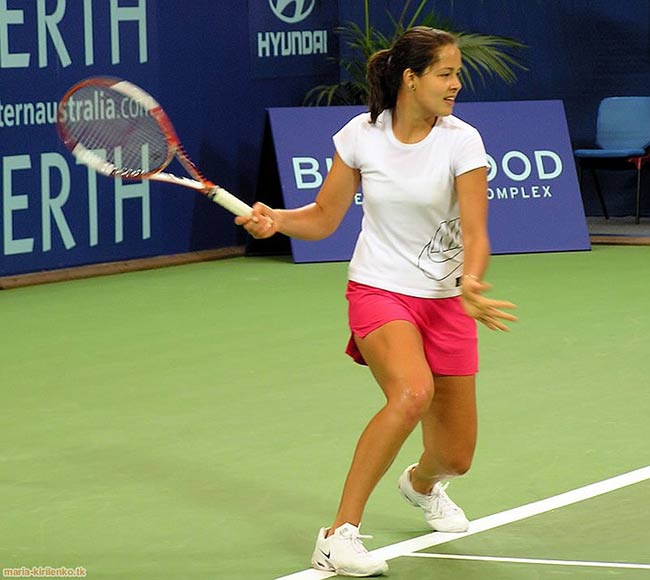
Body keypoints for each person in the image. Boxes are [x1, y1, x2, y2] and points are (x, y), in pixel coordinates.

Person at [236, 26, 517, 578]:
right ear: (411, 79)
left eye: (457, 73)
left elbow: (477, 234)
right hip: (380, 289)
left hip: (446, 301)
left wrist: (472, 281)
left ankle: (420, 484)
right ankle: (337, 535)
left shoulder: (463, 141)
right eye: (446, 73)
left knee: (456, 457)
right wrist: (276, 220)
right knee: (412, 393)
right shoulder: (361, 135)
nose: (456, 84)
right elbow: (322, 218)